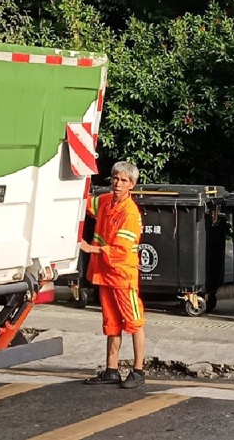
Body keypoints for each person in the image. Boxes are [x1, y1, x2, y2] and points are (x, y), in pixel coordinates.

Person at [79, 160, 147, 389]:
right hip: (105, 274)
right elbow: (85, 203)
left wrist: (91, 249)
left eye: (124, 180)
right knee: (111, 323)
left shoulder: (130, 212)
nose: (118, 184)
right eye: (115, 178)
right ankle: (111, 369)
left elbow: (120, 250)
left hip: (122, 276)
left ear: (132, 184)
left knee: (134, 322)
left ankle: (138, 371)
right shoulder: (106, 201)